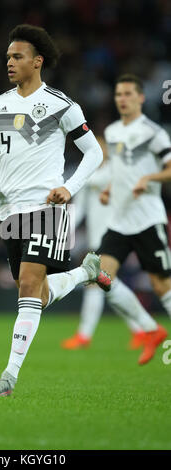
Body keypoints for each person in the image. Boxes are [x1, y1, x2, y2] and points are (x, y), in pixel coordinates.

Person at [0, 24, 111, 397]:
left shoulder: (60, 104)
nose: (10, 62)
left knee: (31, 285)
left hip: (47, 208)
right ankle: (85, 273)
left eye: (17, 57)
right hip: (9, 210)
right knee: (31, 291)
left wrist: (68, 187)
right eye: (7, 57)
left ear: (37, 61)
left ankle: (9, 377)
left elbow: (94, 153)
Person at [90, 74, 171, 365]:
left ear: (141, 97)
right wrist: (110, 189)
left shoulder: (153, 132)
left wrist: (149, 177)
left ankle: (152, 329)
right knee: (100, 276)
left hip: (148, 218)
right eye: (118, 94)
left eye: (127, 94)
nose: (121, 99)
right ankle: (151, 329)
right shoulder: (112, 132)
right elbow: (118, 168)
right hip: (120, 220)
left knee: (162, 286)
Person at [61, 138, 147, 351]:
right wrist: (64, 232)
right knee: (106, 285)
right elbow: (79, 210)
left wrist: (77, 180)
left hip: (113, 238)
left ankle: (85, 336)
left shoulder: (113, 173)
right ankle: (141, 330)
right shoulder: (90, 179)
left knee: (97, 285)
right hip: (96, 239)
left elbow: (98, 179)